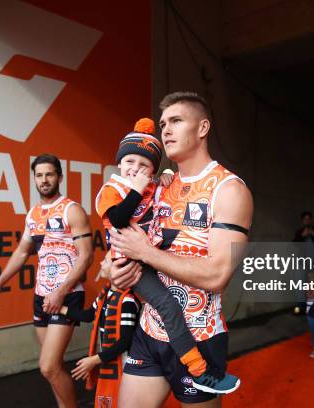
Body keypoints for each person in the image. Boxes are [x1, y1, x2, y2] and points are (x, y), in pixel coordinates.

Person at [108, 91, 254, 407]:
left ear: (202, 128)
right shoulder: (158, 185)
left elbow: (217, 275)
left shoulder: (228, 189)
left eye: (176, 121)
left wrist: (145, 253)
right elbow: (122, 239)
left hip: (198, 338)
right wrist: (114, 270)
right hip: (149, 333)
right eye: (163, 124)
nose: (166, 130)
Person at [0, 154, 93, 408]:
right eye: (39, 175)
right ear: (34, 179)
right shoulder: (33, 214)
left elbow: (87, 256)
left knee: (47, 367)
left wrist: (61, 291)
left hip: (66, 294)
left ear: (59, 177)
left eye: (49, 174)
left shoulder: (71, 210)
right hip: (41, 296)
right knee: (52, 367)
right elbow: (22, 252)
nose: (44, 180)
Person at [61, 254, 141, 408]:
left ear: (120, 270)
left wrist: (94, 360)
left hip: (126, 368)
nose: (101, 262)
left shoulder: (127, 301)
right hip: (109, 361)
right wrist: (60, 309)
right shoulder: (105, 296)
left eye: (106, 261)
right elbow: (88, 315)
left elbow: (126, 341)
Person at [293, 211, 314, 314]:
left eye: (308, 219)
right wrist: (302, 236)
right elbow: (294, 244)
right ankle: (301, 306)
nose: (307, 221)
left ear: (311, 220)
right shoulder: (299, 232)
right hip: (302, 261)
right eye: (305, 219)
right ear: (302, 221)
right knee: (300, 284)